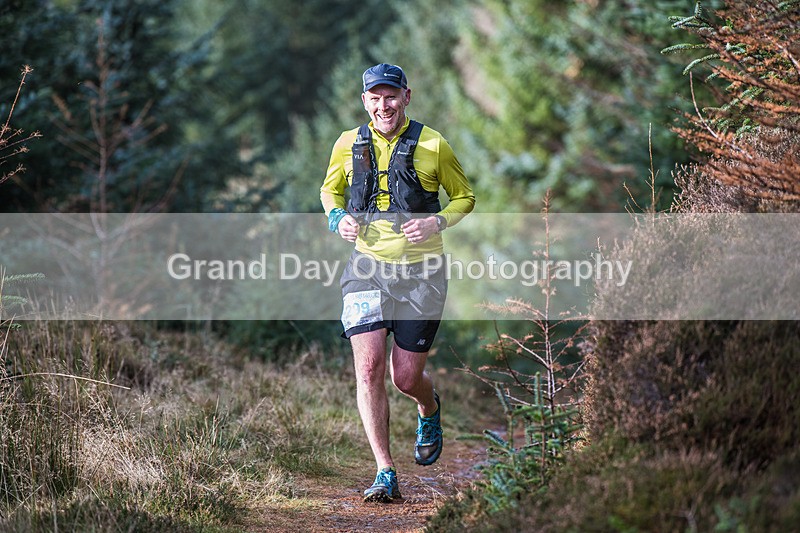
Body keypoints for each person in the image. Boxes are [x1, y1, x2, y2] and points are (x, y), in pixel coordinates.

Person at [320, 63, 475, 503]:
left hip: (422, 274)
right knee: (368, 368)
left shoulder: (433, 144)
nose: (383, 106)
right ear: (364, 101)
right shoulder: (347, 143)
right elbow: (329, 191)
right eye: (375, 98)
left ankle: (429, 407)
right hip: (366, 270)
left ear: (406, 96)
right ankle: (385, 471)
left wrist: (436, 222)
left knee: (405, 378)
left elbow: (464, 197)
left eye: (391, 96)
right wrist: (337, 217)